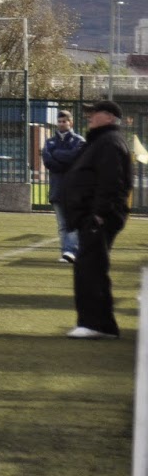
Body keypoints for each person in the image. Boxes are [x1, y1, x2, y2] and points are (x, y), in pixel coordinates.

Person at [61, 100, 133, 340]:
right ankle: (98, 323)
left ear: (110, 117)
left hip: (98, 218)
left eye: (95, 113)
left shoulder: (110, 143)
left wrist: (100, 215)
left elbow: (112, 181)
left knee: (91, 269)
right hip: (90, 217)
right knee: (89, 267)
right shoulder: (100, 141)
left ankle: (96, 324)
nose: (89, 116)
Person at [41, 110, 85, 264]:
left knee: (73, 222)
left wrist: (57, 154)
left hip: (74, 189)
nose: (61, 124)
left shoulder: (79, 141)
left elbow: (75, 158)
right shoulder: (49, 142)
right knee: (62, 225)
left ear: (70, 122)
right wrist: (63, 158)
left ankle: (71, 251)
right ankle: (66, 252)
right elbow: (48, 162)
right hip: (57, 189)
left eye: (64, 121)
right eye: (59, 121)